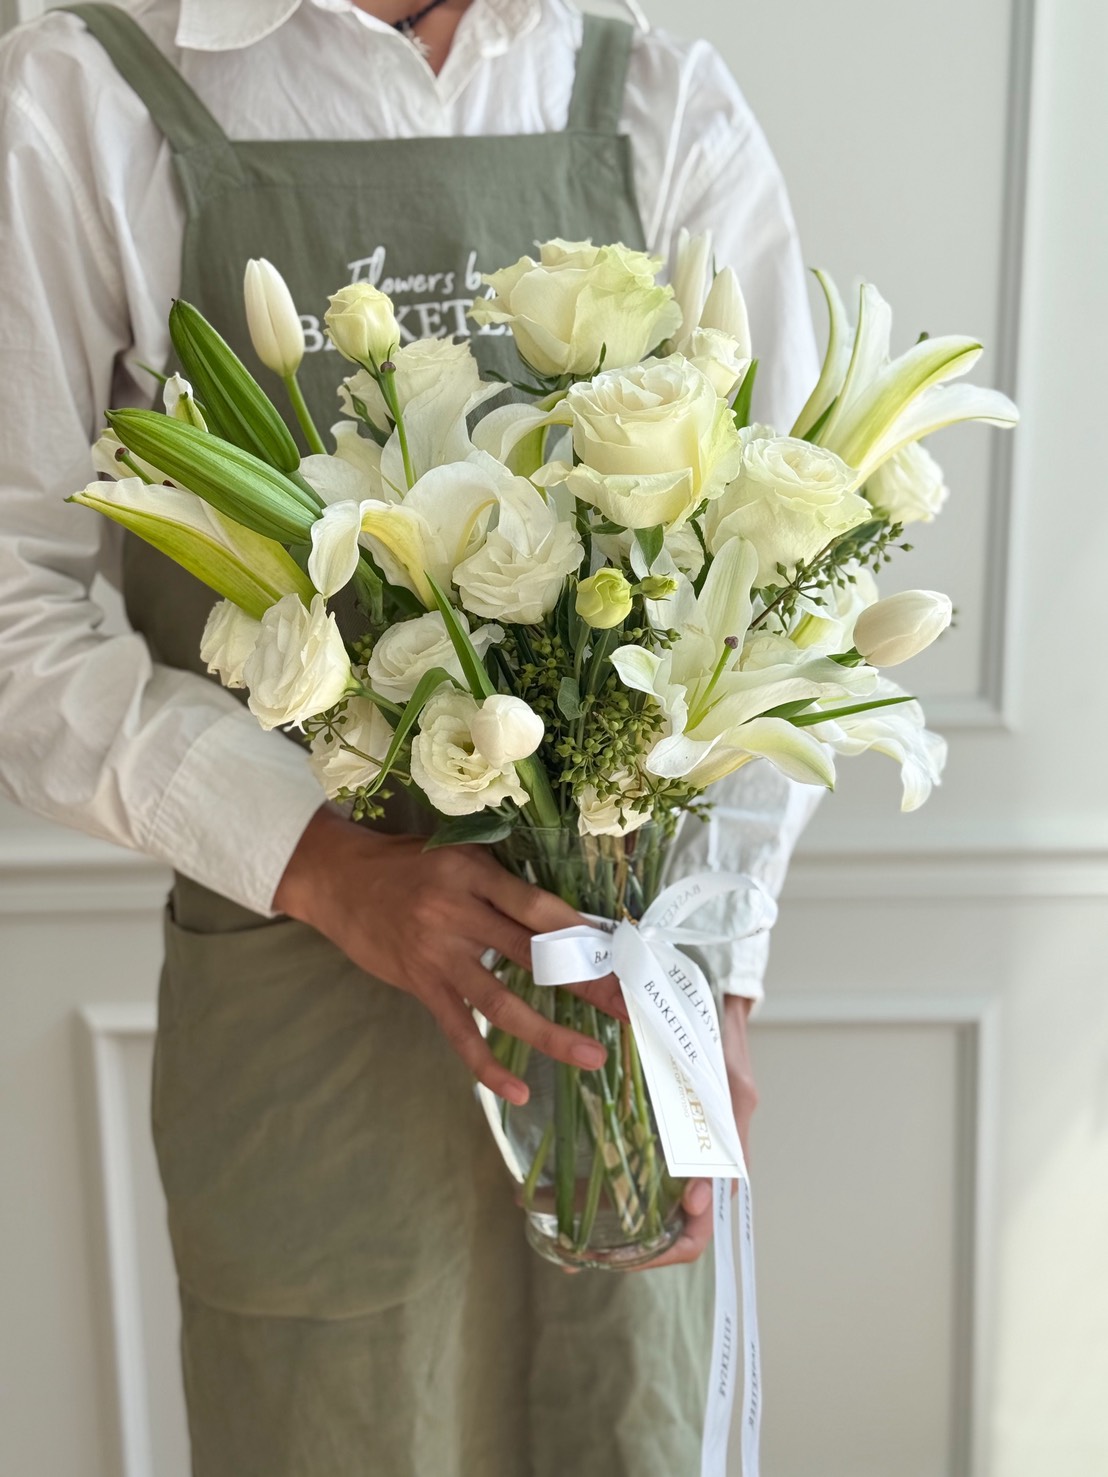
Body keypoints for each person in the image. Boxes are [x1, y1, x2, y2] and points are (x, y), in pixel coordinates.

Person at [0, 1, 820, 1473]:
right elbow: (14, 609)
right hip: (302, 1012)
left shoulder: (649, 96)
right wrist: (324, 863)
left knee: (625, 1420)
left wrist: (722, 986)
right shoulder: (92, 93)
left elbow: (785, 566)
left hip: (617, 999)